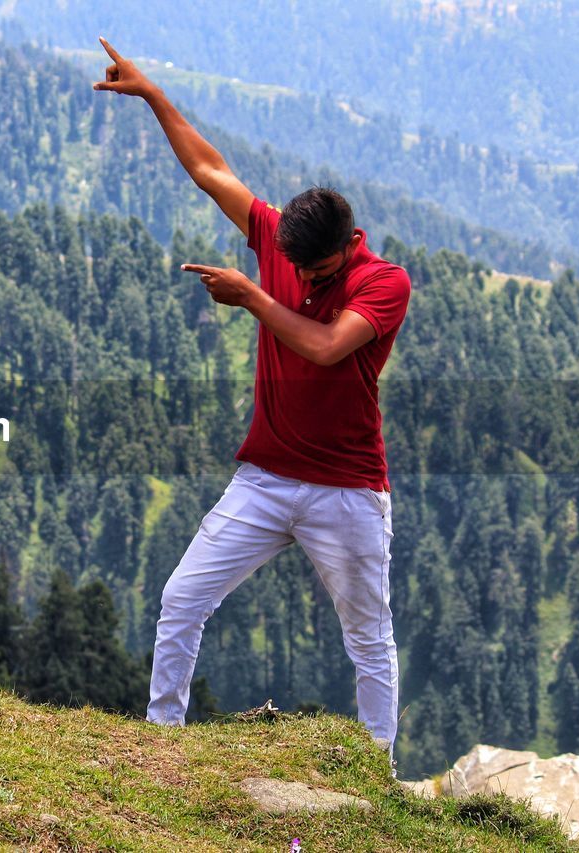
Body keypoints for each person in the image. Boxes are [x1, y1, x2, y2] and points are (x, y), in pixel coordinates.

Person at [93, 37, 411, 758]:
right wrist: (151, 95)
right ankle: (161, 745)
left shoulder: (383, 283)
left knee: (368, 634)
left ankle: (378, 772)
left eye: (315, 266)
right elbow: (210, 170)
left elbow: (328, 347)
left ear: (348, 243)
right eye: (291, 263)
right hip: (266, 476)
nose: (301, 273)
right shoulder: (278, 240)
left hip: (348, 490)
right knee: (181, 599)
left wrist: (252, 297)